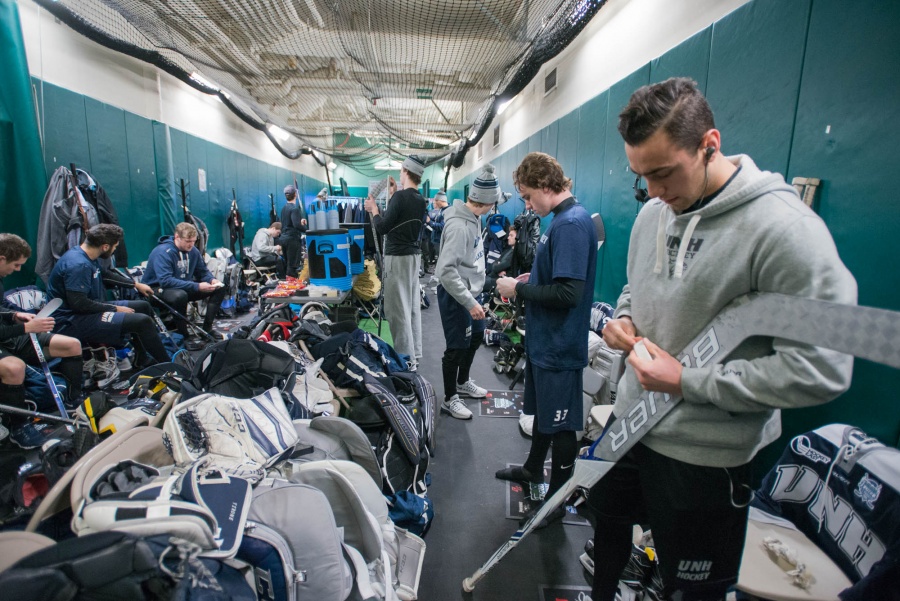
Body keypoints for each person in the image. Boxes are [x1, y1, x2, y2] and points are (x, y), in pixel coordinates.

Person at [588, 77, 857, 601]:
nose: (655, 192)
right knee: (607, 530)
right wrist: (621, 320)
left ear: (709, 144)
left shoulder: (784, 231)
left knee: (695, 588)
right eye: (641, 177)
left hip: (704, 457)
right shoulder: (652, 214)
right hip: (627, 426)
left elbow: (822, 367)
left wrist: (689, 382)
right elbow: (634, 287)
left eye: (664, 173)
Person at [494, 152, 597, 527]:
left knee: (562, 423)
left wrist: (518, 291)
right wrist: (528, 282)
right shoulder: (559, 221)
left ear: (544, 186)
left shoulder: (570, 223)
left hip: (559, 344)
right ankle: (533, 469)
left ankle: (556, 499)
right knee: (544, 417)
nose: (526, 204)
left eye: (526, 196)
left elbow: (569, 294)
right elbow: (556, 281)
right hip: (545, 341)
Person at [0, 234, 84, 447]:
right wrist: (26, 327)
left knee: (71, 345)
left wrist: (15, 315)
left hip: (9, 334)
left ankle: (74, 402)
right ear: (1, 259)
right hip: (5, 338)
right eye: (16, 264)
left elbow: (1, 307)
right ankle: (18, 426)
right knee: (14, 367)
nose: (17, 270)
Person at [48, 224, 170, 370]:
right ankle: (167, 365)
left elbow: (105, 275)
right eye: (115, 247)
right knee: (141, 321)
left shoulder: (86, 255)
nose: (114, 250)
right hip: (70, 320)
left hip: (85, 310)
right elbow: (79, 304)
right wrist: (114, 309)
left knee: (142, 306)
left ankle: (142, 358)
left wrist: (135, 285)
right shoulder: (78, 265)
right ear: (105, 246)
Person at [435, 166, 503, 420]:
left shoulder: (473, 217)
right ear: (486, 203)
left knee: (475, 338)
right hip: (456, 296)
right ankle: (449, 398)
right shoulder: (460, 227)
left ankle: (462, 382)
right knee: (456, 348)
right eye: (494, 203)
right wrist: (468, 301)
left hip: (471, 294)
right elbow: (446, 272)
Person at [364, 155, 428, 368]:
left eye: (401, 171)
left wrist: (374, 210)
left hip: (397, 258)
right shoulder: (420, 199)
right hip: (412, 257)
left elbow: (382, 227)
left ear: (405, 171)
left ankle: (405, 359)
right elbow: (400, 219)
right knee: (410, 307)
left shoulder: (401, 198)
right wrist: (393, 194)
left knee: (396, 310)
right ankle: (415, 353)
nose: (399, 175)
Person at [141, 222, 227, 339]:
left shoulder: (193, 251)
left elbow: (202, 272)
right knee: (180, 296)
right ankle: (183, 335)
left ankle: (207, 329)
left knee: (220, 288)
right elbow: (166, 281)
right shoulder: (162, 252)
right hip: (156, 290)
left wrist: (211, 280)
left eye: (193, 241)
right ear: (177, 237)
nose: (191, 245)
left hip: (181, 287)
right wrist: (197, 286)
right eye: (188, 241)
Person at [280, 184, 308, 277]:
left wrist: (300, 221)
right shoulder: (294, 209)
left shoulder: (284, 208)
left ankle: (288, 286)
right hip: (292, 240)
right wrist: (307, 230)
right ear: (295, 195)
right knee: (292, 266)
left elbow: (289, 222)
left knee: (288, 263)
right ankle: (293, 288)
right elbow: (296, 225)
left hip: (283, 239)